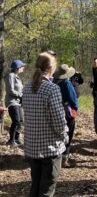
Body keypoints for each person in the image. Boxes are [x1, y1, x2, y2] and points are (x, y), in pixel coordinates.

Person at [22, 52, 68, 197]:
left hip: (32, 147)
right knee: (46, 191)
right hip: (50, 149)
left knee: (35, 187)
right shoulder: (52, 89)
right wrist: (64, 136)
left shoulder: (27, 87)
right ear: (51, 68)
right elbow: (59, 120)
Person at [53, 64, 78, 168]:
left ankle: (57, 156)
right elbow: (73, 99)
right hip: (67, 112)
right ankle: (64, 159)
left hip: (56, 110)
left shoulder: (54, 82)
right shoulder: (66, 83)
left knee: (58, 133)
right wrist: (75, 108)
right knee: (68, 134)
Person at [5, 59, 26, 146]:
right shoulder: (10, 75)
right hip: (12, 102)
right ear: (18, 68)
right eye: (22, 66)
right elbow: (11, 90)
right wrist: (21, 95)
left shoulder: (17, 77)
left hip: (18, 102)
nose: (23, 68)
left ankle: (17, 138)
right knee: (16, 120)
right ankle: (11, 140)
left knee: (21, 120)